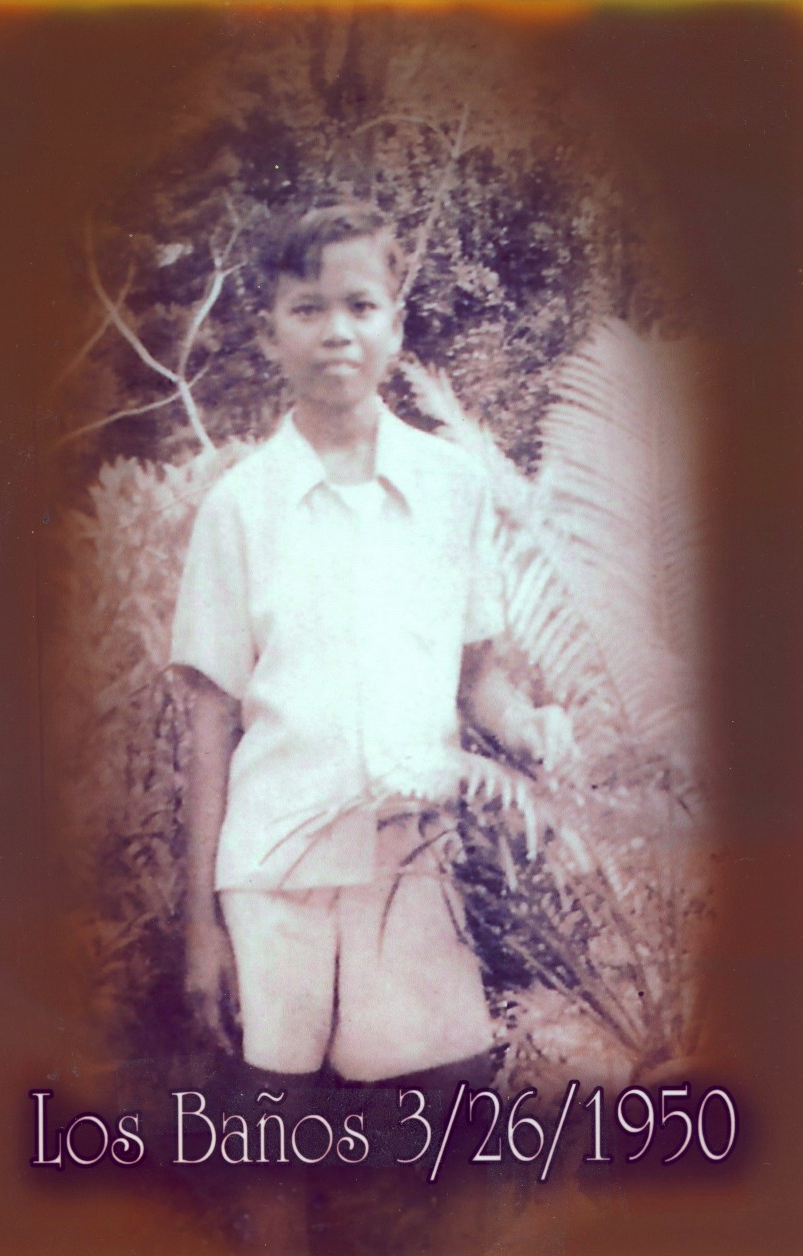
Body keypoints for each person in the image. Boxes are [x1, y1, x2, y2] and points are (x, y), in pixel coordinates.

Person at [170, 202, 575, 1120]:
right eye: (307, 309)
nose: (336, 332)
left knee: (442, 1127)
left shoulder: (451, 487)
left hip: (411, 868)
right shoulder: (239, 508)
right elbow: (210, 721)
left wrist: (530, 729)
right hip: (275, 877)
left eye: (360, 305)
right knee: (276, 1135)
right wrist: (200, 927)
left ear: (397, 322)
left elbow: (478, 678)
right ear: (270, 333)